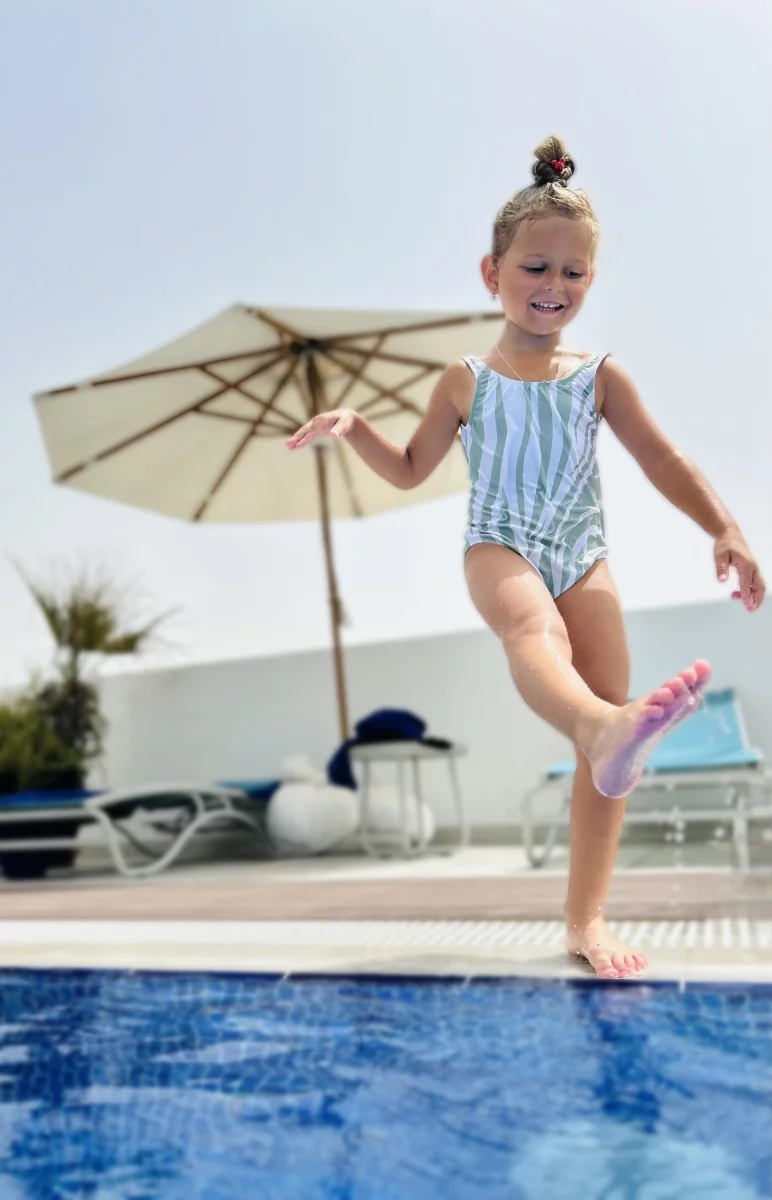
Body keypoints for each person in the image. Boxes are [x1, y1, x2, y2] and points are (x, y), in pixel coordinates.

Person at [287, 135, 766, 979]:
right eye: (536, 267)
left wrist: (723, 527)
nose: (554, 284)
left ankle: (587, 917)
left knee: (609, 747)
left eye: (573, 272)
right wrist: (354, 426)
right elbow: (410, 469)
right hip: (499, 541)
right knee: (536, 634)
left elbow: (663, 460)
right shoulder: (466, 379)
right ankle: (601, 729)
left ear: (591, 280)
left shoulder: (600, 376)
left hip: (582, 550)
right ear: (492, 273)